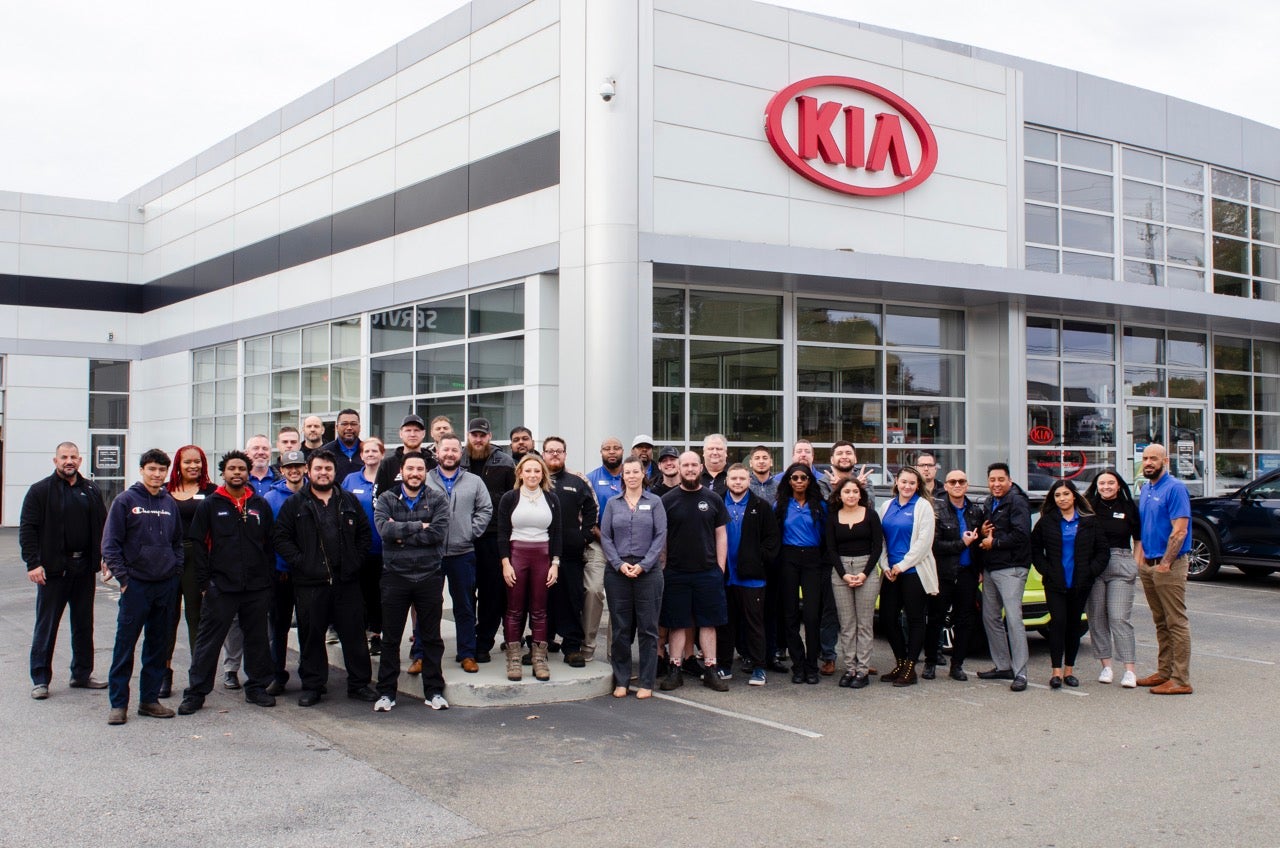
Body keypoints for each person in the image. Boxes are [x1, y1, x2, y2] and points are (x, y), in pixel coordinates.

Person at [272, 450, 379, 706]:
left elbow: (365, 535)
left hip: (346, 582)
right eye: (318, 468)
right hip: (310, 583)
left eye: (328, 469)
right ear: (309, 471)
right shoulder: (295, 504)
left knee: (354, 635)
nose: (323, 473)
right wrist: (302, 562)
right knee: (311, 636)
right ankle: (313, 685)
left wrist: (355, 561)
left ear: (334, 472)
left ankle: (359, 684)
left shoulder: (348, 501)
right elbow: (281, 538)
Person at [178, 451, 278, 715]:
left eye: (242, 469)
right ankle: (196, 692)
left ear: (247, 473)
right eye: (232, 468)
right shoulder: (211, 504)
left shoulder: (259, 504)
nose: (237, 473)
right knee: (208, 641)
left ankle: (256, 687)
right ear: (223, 473)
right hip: (221, 586)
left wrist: (267, 579)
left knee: (257, 639)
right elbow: (198, 544)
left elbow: (269, 544)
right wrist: (205, 582)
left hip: (256, 587)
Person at [101, 449, 184, 724]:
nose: (157, 474)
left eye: (161, 470)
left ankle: (149, 700)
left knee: (157, 646)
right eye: (152, 469)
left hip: (165, 584)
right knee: (125, 646)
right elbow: (110, 545)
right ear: (141, 470)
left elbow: (177, 542)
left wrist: (175, 571)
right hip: (136, 585)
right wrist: (124, 579)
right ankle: (118, 704)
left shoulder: (169, 503)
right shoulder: (125, 501)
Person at [21, 441, 108, 700]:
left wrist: (105, 557)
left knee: (83, 625)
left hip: (84, 569)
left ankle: (81, 674)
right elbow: (28, 529)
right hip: (53, 571)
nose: (69, 461)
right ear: (55, 460)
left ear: (80, 461)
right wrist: (33, 563)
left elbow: (103, 526)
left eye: (73, 457)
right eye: (64, 457)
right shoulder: (40, 491)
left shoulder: (91, 490)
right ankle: (40, 679)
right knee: (46, 625)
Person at [373, 455, 451, 712]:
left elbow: (437, 534)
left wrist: (401, 532)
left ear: (425, 472)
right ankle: (386, 693)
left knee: (431, 637)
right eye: (410, 468)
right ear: (401, 471)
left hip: (429, 576)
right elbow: (384, 531)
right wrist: (419, 525)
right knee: (390, 638)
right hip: (395, 576)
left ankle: (434, 691)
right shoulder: (386, 499)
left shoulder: (437, 499)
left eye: (419, 469)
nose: (415, 473)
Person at [659, 452, 730, 692]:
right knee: (677, 624)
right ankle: (675, 669)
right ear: (679, 468)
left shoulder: (713, 499)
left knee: (709, 623)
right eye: (685, 465)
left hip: (708, 573)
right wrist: (664, 565)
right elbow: (662, 537)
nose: (690, 469)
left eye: (693, 465)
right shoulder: (667, 500)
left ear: (701, 468)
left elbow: (721, 535)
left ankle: (711, 670)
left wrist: (720, 567)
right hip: (676, 573)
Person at [422, 433, 493, 674]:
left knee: (464, 606)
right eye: (446, 449)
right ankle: (422, 654)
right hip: (431, 553)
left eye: (454, 450)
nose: (450, 454)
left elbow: (485, 509)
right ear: (437, 452)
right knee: (428, 606)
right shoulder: (425, 479)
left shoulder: (474, 481)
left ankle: (467, 653)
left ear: (461, 453)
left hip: (463, 553)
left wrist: (470, 532)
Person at [1031, 479, 1110, 688]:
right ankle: (1056, 672)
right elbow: (1035, 549)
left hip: (1080, 583)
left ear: (1074, 496)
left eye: (1065, 494)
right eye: (1057, 495)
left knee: (1073, 626)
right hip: (1055, 582)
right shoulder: (1047, 521)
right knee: (1058, 623)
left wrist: (1090, 572)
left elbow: (1103, 551)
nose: (1062, 499)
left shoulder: (1089, 521)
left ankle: (1069, 671)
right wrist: (1046, 570)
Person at [599, 456, 667, 697]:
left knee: (648, 628)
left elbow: (660, 535)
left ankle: (647, 682)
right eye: (627, 472)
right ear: (623, 476)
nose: (631, 476)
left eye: (635, 472)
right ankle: (622, 680)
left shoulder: (655, 502)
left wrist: (644, 565)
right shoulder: (612, 503)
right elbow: (605, 537)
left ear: (643, 474)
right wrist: (619, 564)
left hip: (648, 572)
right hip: (617, 572)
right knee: (620, 628)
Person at [495, 454, 563, 681]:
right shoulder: (510, 498)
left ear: (542, 474)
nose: (533, 475)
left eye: (537, 471)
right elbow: (502, 533)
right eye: (528, 470)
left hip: (543, 556)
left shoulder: (551, 499)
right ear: (520, 473)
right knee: (514, 609)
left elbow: (557, 533)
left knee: (540, 610)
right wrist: (505, 563)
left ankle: (539, 659)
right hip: (516, 555)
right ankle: (514, 659)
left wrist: (555, 563)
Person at [1135, 444, 1194, 695]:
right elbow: (1144, 528)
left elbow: (1180, 531)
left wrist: (1166, 563)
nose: (1148, 462)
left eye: (1154, 458)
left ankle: (1180, 680)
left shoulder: (1175, 488)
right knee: (1160, 621)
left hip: (1168, 564)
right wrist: (1141, 560)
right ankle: (1164, 672)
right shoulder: (1146, 488)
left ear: (1165, 461)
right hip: (1149, 565)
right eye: (1145, 458)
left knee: (1175, 621)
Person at [717, 463, 781, 686]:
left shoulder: (761, 506)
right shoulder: (717, 502)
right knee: (725, 624)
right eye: (733, 478)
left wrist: (757, 560)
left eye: (742, 478)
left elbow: (772, 540)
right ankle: (724, 666)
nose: (737, 482)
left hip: (752, 577)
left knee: (754, 624)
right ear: (726, 480)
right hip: (725, 575)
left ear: (749, 481)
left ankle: (759, 668)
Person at [162, 444, 217, 698]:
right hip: (168, 558)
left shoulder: (212, 492)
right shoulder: (164, 491)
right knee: (166, 618)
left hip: (198, 557)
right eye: (187, 462)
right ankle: (163, 673)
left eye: (197, 462)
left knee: (197, 619)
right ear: (178, 465)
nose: (193, 466)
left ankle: (198, 676)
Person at [876, 466, 938, 687]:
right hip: (891, 573)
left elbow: (924, 543)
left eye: (912, 483)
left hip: (914, 572)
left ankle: (910, 668)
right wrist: (885, 565)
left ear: (918, 485)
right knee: (887, 618)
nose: (907, 486)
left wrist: (902, 566)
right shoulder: (886, 506)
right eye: (904, 482)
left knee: (914, 620)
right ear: (897, 482)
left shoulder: (923, 507)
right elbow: (881, 540)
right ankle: (901, 662)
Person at [460, 417, 516, 662]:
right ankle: (466, 641)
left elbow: (513, 498)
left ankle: (483, 642)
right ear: (468, 436)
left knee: (491, 594)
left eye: (482, 435)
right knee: (465, 593)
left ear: (490, 437)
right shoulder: (459, 460)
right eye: (474, 435)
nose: (478, 439)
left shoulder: (504, 462)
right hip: (464, 536)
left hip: (493, 536)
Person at [976, 462, 1033, 692]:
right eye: (992, 480)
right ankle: (1003, 666)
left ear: (1009, 480)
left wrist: (995, 543)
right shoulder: (990, 502)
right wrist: (983, 533)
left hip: (1012, 567)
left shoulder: (1017, 501)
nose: (996, 484)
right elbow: (989, 531)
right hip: (991, 567)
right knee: (990, 617)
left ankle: (1021, 673)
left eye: (1001, 479)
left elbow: (1022, 535)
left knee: (1013, 619)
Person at [1084, 468, 1142, 688]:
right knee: (1097, 618)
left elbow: (1138, 539)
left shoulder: (1128, 507)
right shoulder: (1088, 507)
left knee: (1119, 618)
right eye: (1102, 483)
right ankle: (1106, 666)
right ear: (1096, 486)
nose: (1106, 487)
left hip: (1121, 562)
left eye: (1110, 483)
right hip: (1094, 565)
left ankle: (1129, 670)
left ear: (1118, 485)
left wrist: (1135, 564)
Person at [543, 436, 598, 667]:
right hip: (540, 551)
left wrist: (584, 536)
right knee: (542, 600)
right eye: (550, 451)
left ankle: (572, 646)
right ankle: (541, 643)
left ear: (565, 454)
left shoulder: (577, 481)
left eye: (559, 451)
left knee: (572, 598)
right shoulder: (535, 478)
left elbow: (591, 508)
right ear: (543, 454)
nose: (555, 454)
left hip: (571, 552)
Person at [824, 477, 882, 689]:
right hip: (841, 571)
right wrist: (844, 574)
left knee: (864, 623)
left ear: (860, 494)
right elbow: (831, 549)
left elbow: (877, 547)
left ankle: (862, 670)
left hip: (866, 569)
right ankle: (850, 668)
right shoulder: (833, 517)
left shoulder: (871, 515)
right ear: (839, 495)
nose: (851, 495)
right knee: (847, 624)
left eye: (855, 491)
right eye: (846, 492)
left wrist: (865, 574)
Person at [774, 462, 828, 684]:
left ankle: (811, 665)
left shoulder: (820, 506)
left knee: (812, 615)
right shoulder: (780, 505)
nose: (799, 481)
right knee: (790, 615)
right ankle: (798, 665)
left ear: (809, 481)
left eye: (803, 478)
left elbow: (827, 534)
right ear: (788, 481)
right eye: (794, 478)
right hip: (788, 558)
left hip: (813, 560)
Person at [261, 450, 307, 695]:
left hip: (308, 573)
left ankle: (309, 675)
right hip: (281, 573)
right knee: (278, 627)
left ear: (305, 468)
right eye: (289, 467)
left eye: (298, 466)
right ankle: (277, 675)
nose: (294, 470)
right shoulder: (270, 498)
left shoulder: (315, 492)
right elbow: (266, 536)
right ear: (282, 470)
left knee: (309, 626)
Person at [931, 468, 984, 681]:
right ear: (945, 486)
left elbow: (979, 544)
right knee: (936, 619)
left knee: (964, 621)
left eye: (961, 481)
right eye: (952, 482)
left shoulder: (975, 511)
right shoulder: (937, 510)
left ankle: (957, 665)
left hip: (967, 574)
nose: (957, 485)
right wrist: (962, 543)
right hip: (943, 574)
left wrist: (980, 569)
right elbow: (935, 545)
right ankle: (930, 663)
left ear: (967, 485)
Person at [342, 437, 387, 656]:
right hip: (358, 549)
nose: (370, 454)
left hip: (383, 548)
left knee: (379, 594)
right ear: (361, 455)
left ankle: (376, 634)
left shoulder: (387, 479)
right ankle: (359, 635)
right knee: (359, 594)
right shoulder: (351, 480)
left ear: (382, 454)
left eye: (374, 451)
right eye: (366, 451)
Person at [583, 436, 625, 660]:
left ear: (622, 451)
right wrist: (605, 540)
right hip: (598, 543)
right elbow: (586, 516)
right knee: (593, 590)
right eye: (607, 448)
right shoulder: (591, 478)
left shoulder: (631, 476)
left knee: (620, 599)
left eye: (616, 448)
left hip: (626, 547)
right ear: (601, 452)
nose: (612, 452)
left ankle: (615, 653)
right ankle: (588, 646)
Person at [375, 413, 431, 493]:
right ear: (401, 433)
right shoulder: (387, 464)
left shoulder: (433, 464)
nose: (412, 434)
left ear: (423, 434)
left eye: (416, 430)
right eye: (408, 430)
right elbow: (377, 496)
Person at [318, 408, 363, 481]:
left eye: (353, 424)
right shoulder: (324, 452)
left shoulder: (368, 452)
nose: (349, 428)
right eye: (344, 424)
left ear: (360, 427)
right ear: (337, 427)